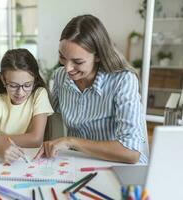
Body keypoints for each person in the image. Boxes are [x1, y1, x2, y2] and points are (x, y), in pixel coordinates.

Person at [35, 14, 148, 164]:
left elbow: (131, 152)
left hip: (118, 165)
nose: (67, 68)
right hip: (78, 162)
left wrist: (71, 142)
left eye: (78, 61)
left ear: (98, 56)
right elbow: (45, 112)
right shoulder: (60, 77)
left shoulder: (123, 80)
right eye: (62, 57)